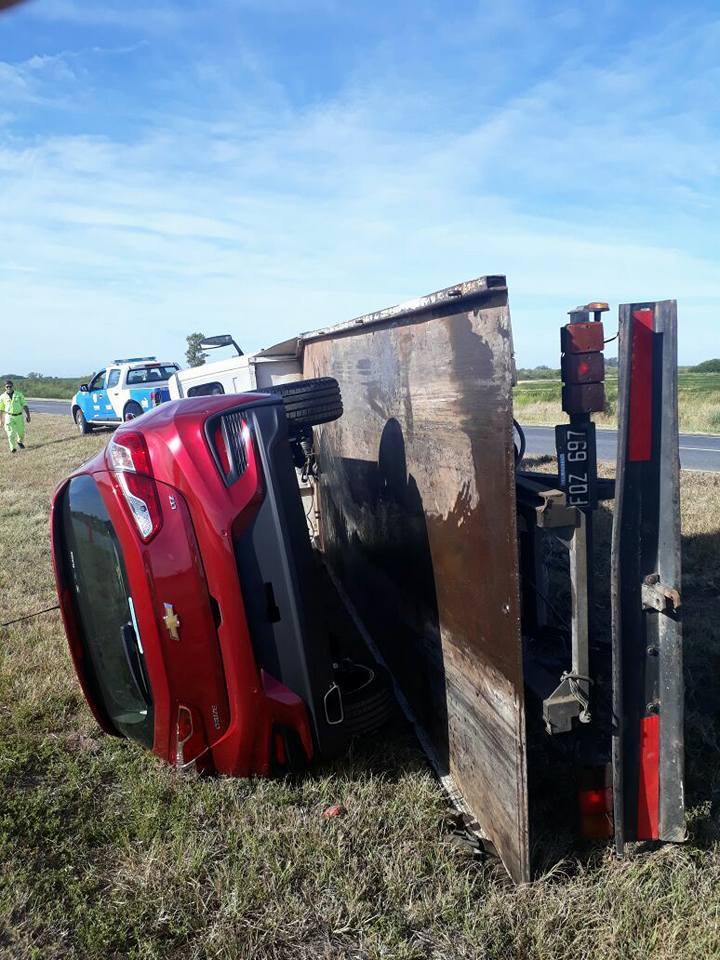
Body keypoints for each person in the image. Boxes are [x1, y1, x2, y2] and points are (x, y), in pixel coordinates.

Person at [0, 380, 31, 453]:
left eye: (10, 386)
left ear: (12, 386)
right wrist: (0, 420)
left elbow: (25, 405)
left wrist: (28, 416)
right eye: (7, 386)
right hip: (9, 417)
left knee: (21, 433)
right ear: (5, 387)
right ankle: (13, 449)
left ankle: (19, 441)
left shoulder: (19, 395)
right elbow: (1, 409)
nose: (9, 388)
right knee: (10, 434)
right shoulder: (2, 397)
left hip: (19, 416)